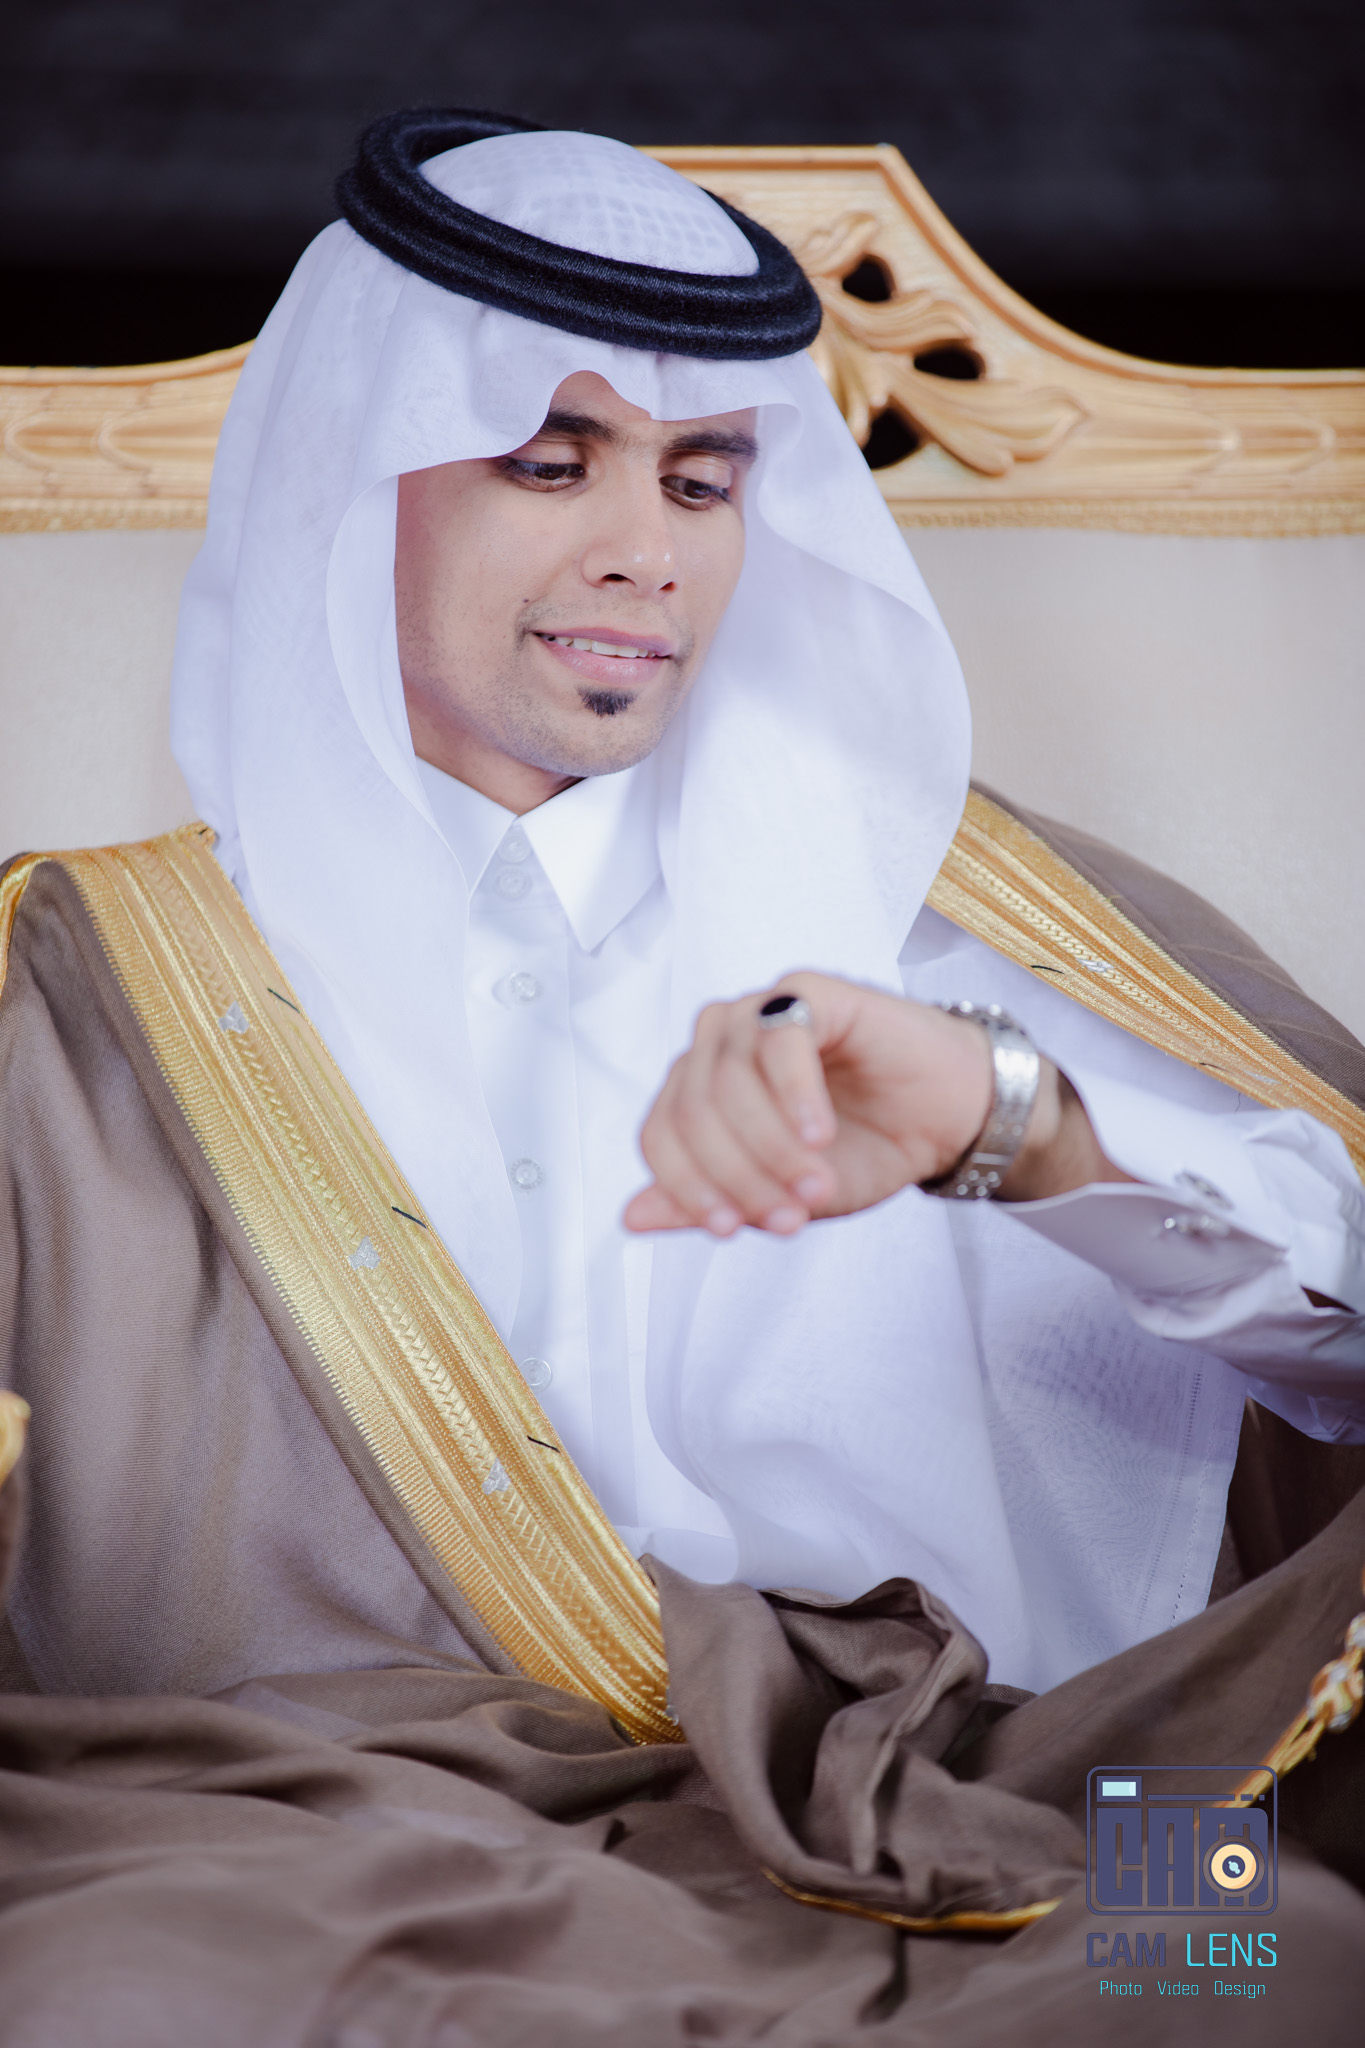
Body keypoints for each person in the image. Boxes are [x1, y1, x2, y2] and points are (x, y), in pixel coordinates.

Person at [1, 110, 1364, 2039]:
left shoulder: (960, 931)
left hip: (995, 1805)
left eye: (703, 481)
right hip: (305, 1830)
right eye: (548, 465)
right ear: (349, 483)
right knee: (108, 1985)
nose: (644, 554)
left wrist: (1017, 1132)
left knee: (1264, 1960)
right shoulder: (79, 993)